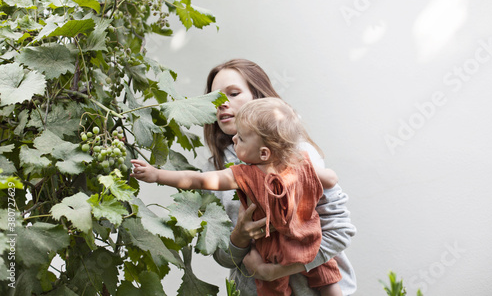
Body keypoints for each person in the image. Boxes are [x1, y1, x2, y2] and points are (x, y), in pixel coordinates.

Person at [131, 97, 343, 295]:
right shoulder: (301, 165)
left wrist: (157, 175)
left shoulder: (245, 175)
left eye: (240, 138)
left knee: (273, 290)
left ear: (263, 154)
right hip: (308, 239)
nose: (233, 138)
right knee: (328, 277)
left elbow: (198, 179)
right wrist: (316, 175)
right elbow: (331, 179)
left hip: (271, 251)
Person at [201, 59, 356, 296]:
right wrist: (239, 238)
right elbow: (222, 258)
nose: (222, 103)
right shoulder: (213, 171)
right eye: (214, 99)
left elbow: (340, 231)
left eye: (233, 93)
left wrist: (275, 272)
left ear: (258, 96)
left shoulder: (299, 154)